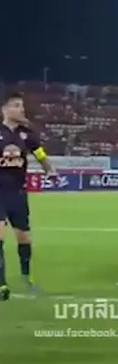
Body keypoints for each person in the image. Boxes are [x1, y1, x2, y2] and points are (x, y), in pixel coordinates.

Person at [0, 93, 57, 300]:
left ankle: (27, 276)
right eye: (16, 106)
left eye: (22, 106)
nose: (21, 109)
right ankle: (1, 284)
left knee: (24, 238)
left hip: (18, 193)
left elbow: (40, 155)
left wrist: (50, 170)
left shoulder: (27, 134)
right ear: (5, 110)